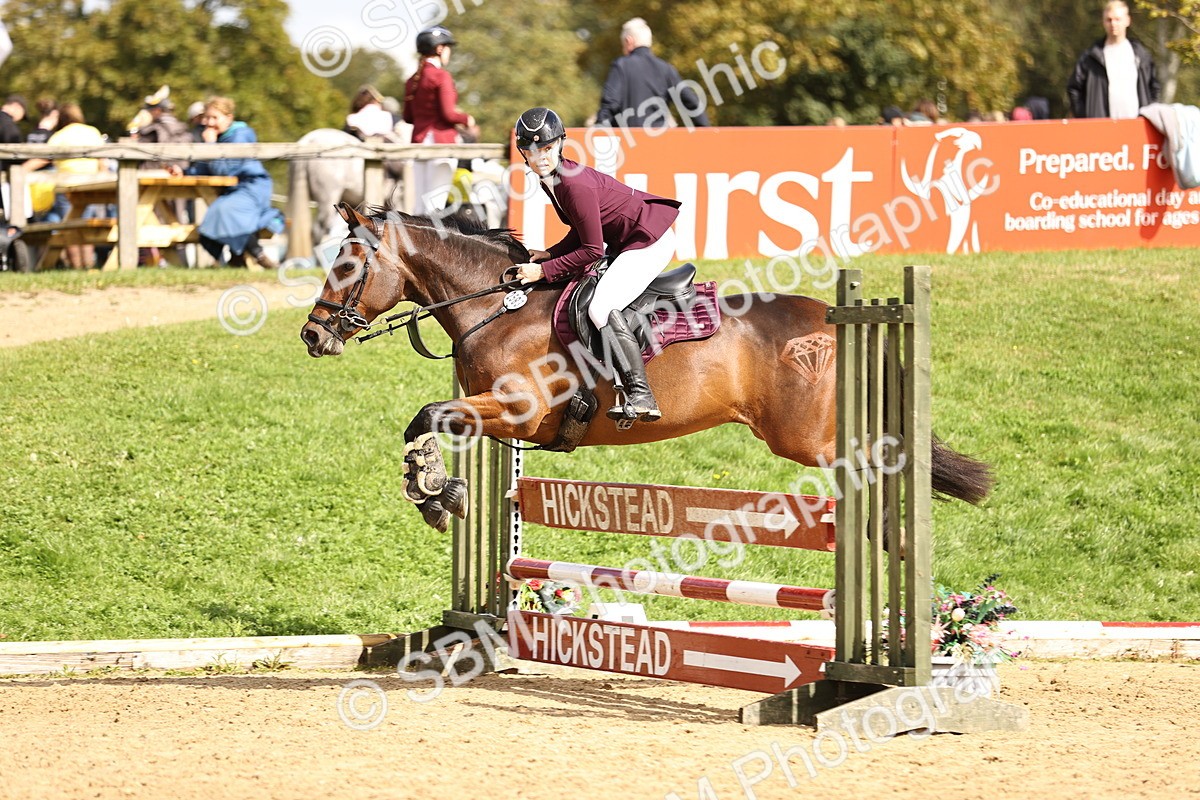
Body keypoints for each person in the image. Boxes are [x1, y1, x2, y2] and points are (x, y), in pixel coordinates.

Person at [512, 107, 682, 423]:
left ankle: (641, 395)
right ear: (523, 153)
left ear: (560, 143)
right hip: (628, 240)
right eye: (532, 151)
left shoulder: (572, 184)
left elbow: (591, 250)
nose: (541, 157)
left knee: (600, 308)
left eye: (547, 148)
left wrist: (543, 271)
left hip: (649, 240)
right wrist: (550, 254)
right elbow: (581, 230)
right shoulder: (553, 178)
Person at [170, 96, 283, 269]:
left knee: (223, 211)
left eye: (215, 118)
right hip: (232, 191)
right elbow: (203, 168)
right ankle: (237, 259)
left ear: (229, 118)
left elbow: (224, 170)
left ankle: (258, 255)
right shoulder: (215, 137)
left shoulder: (241, 135)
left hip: (252, 187)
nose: (209, 122)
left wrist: (210, 144)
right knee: (218, 214)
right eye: (207, 117)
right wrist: (183, 172)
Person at [23, 103, 107, 267]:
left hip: (67, 186)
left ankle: (75, 266)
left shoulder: (60, 136)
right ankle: (88, 265)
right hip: (91, 185)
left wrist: (21, 169)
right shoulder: (92, 131)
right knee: (85, 226)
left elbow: (45, 157)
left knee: (69, 227)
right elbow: (102, 161)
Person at [403, 26, 476, 213]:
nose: (449, 52)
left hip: (418, 142)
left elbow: (408, 116)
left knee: (419, 205)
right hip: (440, 142)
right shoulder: (441, 76)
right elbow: (448, 114)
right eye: (448, 47)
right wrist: (467, 119)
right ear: (439, 49)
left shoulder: (412, 80)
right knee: (435, 204)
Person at [595, 17, 709, 131]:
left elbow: (610, 104)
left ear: (628, 41)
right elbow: (692, 103)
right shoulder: (666, 69)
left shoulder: (621, 66)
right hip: (659, 143)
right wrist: (707, 134)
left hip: (628, 142)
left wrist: (599, 132)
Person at [1068, 0, 1159, 119]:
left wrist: (1149, 114)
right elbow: (1074, 90)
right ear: (1103, 22)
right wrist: (1087, 115)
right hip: (1102, 130)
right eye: (1109, 19)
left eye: (1117, 19)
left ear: (1127, 20)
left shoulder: (1142, 56)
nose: (1113, 24)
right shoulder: (1090, 58)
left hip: (1137, 127)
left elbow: (1154, 88)